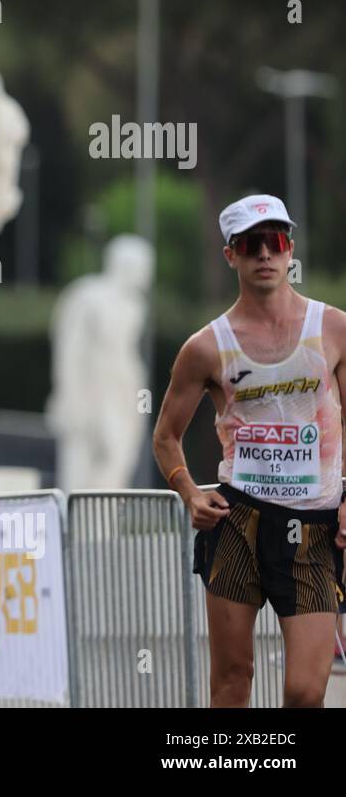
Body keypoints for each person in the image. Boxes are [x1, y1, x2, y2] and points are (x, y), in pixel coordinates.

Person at [154, 194, 346, 708]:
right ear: (231, 255)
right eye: (251, 244)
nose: (266, 253)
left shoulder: (333, 328)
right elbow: (166, 436)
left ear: (290, 250)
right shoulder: (206, 346)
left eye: (276, 241)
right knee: (233, 680)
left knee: (306, 691)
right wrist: (189, 492)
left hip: (314, 526)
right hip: (236, 522)